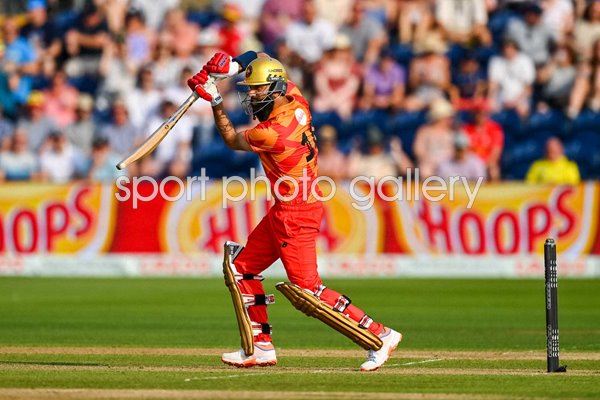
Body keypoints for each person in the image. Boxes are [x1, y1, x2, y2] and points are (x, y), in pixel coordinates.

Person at [186, 51, 401, 371]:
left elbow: (231, 138)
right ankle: (260, 347)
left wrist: (216, 99)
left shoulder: (270, 133)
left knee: (307, 291)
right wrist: (233, 64)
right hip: (288, 207)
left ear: (273, 89)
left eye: (256, 90)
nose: (251, 95)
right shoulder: (296, 100)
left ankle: (379, 335)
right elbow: (261, 55)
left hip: (295, 213)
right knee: (241, 268)